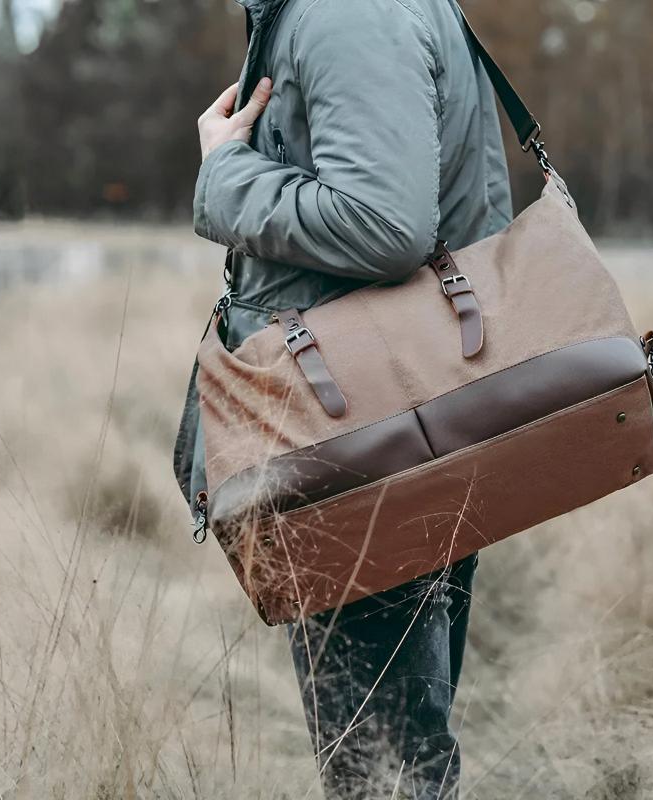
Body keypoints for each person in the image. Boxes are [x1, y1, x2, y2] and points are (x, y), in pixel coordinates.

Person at [176, 0, 513, 796]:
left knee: (383, 763)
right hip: (387, 409)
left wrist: (226, 171)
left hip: (367, 431)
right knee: (392, 747)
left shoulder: (346, 11)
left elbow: (384, 223)